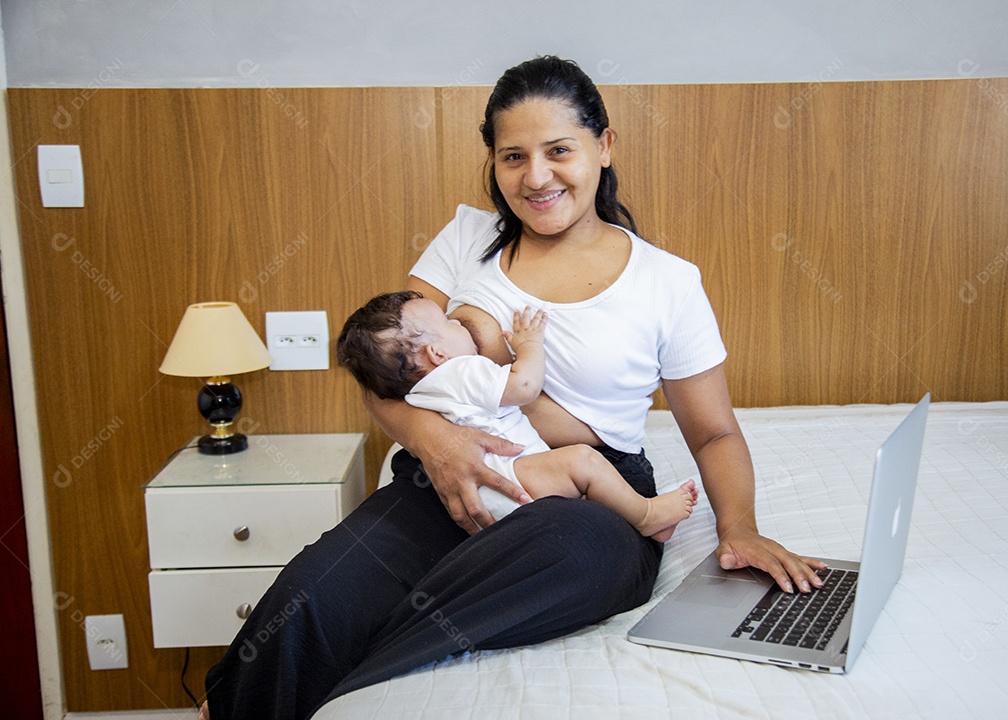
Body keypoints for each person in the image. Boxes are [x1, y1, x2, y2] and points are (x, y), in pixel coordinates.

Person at [201, 55, 825, 720]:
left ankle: (350, 682)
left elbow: (713, 430)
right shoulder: (467, 236)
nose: (536, 177)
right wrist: (437, 445)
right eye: (512, 157)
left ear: (605, 146)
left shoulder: (668, 282)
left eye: (559, 151)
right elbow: (388, 375)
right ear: (493, 164)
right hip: (445, 473)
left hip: (591, 498)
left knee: (570, 550)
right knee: (311, 592)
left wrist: (741, 527)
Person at [337, 290, 699, 540]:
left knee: (580, 486)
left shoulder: (419, 394)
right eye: (449, 322)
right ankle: (646, 517)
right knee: (584, 462)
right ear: (437, 353)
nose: (460, 323)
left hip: (487, 492)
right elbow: (523, 386)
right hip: (511, 481)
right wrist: (529, 345)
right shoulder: (461, 372)